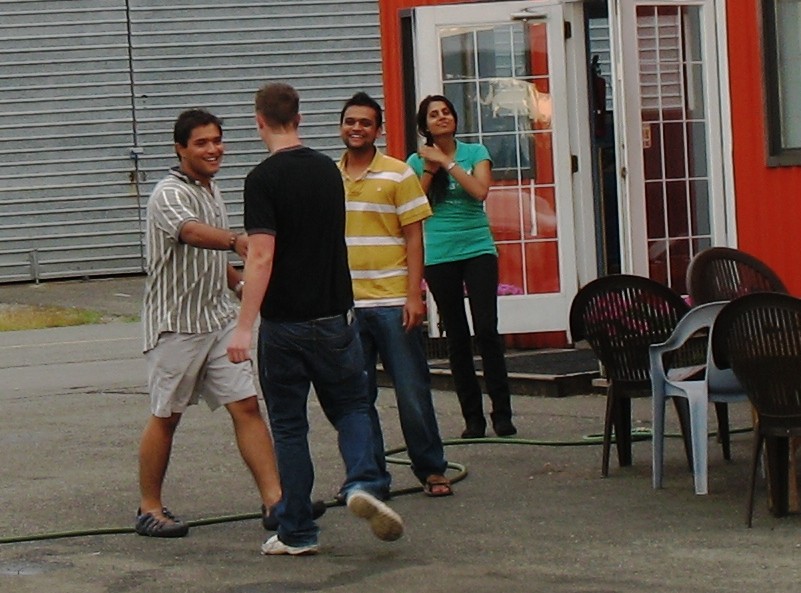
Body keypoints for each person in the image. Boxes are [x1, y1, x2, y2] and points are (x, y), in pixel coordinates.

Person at [227, 82, 404, 556]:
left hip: (285, 324)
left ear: (258, 120)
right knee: (350, 406)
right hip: (334, 317)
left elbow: (261, 255)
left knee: (288, 426)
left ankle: (298, 531)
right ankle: (364, 479)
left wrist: (245, 325)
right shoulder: (330, 171)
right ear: (300, 119)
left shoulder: (261, 180)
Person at [136, 108, 282, 538]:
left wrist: (242, 288)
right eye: (201, 143)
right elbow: (193, 234)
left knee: (247, 405)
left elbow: (213, 260)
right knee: (167, 416)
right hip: (175, 325)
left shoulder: (212, 190)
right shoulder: (169, 193)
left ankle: (276, 501)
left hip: (217, 320)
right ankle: (149, 508)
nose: (213, 149)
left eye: (217, 140)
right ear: (180, 149)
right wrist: (240, 241)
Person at [338, 92, 453, 498]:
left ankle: (432, 469)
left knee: (412, 391)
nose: (357, 128)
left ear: (378, 130)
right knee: (355, 398)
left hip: (392, 303)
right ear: (342, 127)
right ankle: (369, 478)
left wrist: (414, 296)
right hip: (349, 306)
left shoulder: (399, 173)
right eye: (351, 122)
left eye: (365, 123)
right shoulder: (330, 178)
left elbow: (414, 236)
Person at [407, 95, 517, 440]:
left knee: (486, 328)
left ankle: (502, 414)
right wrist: (430, 168)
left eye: (446, 112)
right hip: (440, 253)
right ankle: (473, 419)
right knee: (456, 334)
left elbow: (480, 192)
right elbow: (415, 206)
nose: (441, 118)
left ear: (455, 119)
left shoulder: (475, 153)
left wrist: (447, 162)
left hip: (477, 248)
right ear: (424, 126)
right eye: (433, 115)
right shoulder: (416, 160)